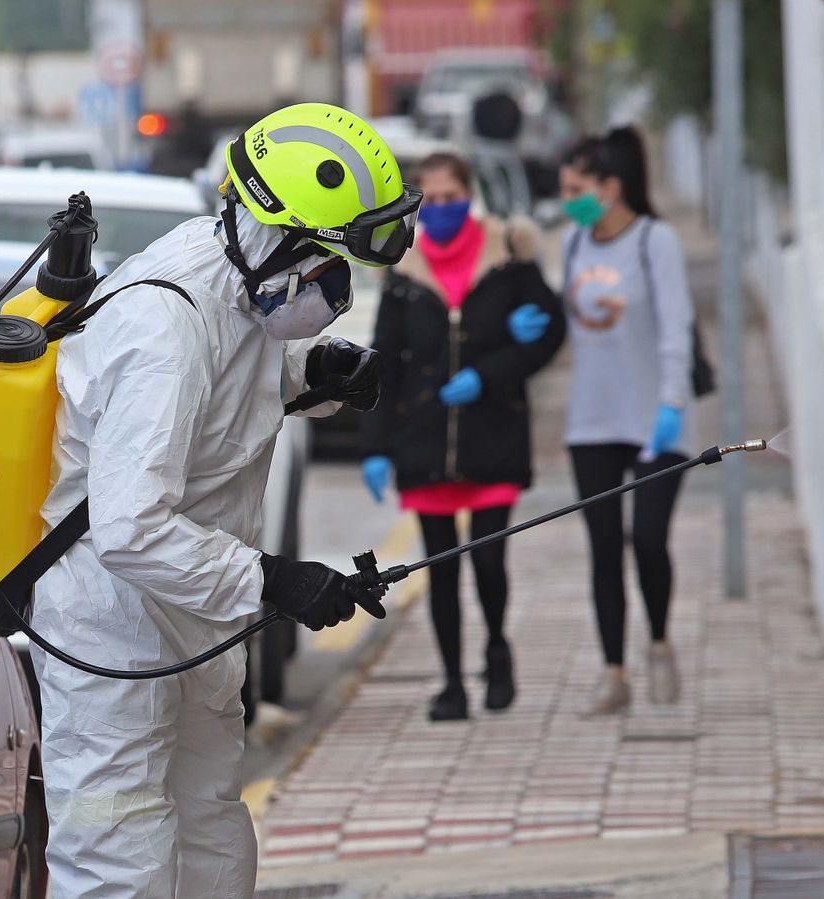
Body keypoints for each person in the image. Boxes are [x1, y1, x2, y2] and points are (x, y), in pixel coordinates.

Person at [31, 103, 419, 898]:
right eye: (326, 259)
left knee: (209, 827)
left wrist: (315, 377)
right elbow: (130, 529)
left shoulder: (234, 286)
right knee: (118, 852)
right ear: (278, 235)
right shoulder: (163, 325)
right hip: (114, 626)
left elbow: (223, 402)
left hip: (192, 617)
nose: (334, 284)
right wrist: (273, 580)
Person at [360, 152, 566, 722]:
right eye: (433, 200)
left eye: (453, 197)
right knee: (442, 571)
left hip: (492, 435)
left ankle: (497, 651)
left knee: (490, 564)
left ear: (470, 196)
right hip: (423, 444)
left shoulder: (511, 256)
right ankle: (451, 682)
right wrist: (376, 447)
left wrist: (491, 371)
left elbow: (547, 330)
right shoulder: (403, 272)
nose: (444, 209)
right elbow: (385, 366)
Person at [558, 126, 696, 716]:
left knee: (649, 539)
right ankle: (614, 672)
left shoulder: (654, 241)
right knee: (604, 549)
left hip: (653, 421)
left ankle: (660, 644)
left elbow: (676, 328)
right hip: (590, 421)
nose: (568, 200)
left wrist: (671, 403)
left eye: (577, 188)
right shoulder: (571, 243)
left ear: (611, 187)